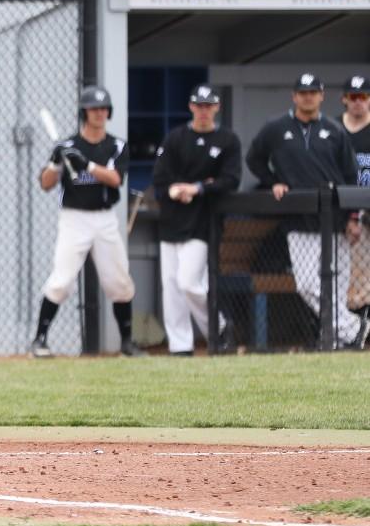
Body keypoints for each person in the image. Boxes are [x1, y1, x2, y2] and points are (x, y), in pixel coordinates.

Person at [245, 73, 369, 349]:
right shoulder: (275, 128)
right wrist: (272, 180)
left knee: (337, 287)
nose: (308, 97)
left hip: (335, 219)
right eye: (303, 92)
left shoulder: (334, 130)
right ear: (294, 96)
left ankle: (338, 340)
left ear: (322, 96)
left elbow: (350, 176)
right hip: (298, 220)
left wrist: (352, 217)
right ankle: (354, 327)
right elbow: (254, 159)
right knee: (306, 285)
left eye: (313, 92)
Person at [31, 86, 142, 358]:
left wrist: (88, 166)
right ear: (84, 112)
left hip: (105, 219)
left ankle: (127, 342)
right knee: (61, 281)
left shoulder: (116, 145)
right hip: (74, 219)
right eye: (94, 109)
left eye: (103, 109)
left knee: (119, 281)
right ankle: (39, 341)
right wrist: (56, 164)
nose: (99, 113)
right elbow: (45, 184)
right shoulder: (68, 146)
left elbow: (116, 178)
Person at [153, 84, 241, 356]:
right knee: (172, 287)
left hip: (203, 223)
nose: (203, 111)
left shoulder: (227, 139)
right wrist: (174, 190)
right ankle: (180, 346)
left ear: (216, 107)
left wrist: (199, 188)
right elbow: (160, 179)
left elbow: (231, 180)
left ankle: (220, 329)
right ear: (191, 107)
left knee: (189, 282)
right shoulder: (176, 138)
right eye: (199, 106)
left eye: (208, 106)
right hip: (171, 222)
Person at [339, 75, 370, 316]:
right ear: (344, 99)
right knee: (349, 277)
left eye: (363, 97)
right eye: (353, 97)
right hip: (343, 213)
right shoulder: (334, 129)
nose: (358, 102)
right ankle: (353, 329)